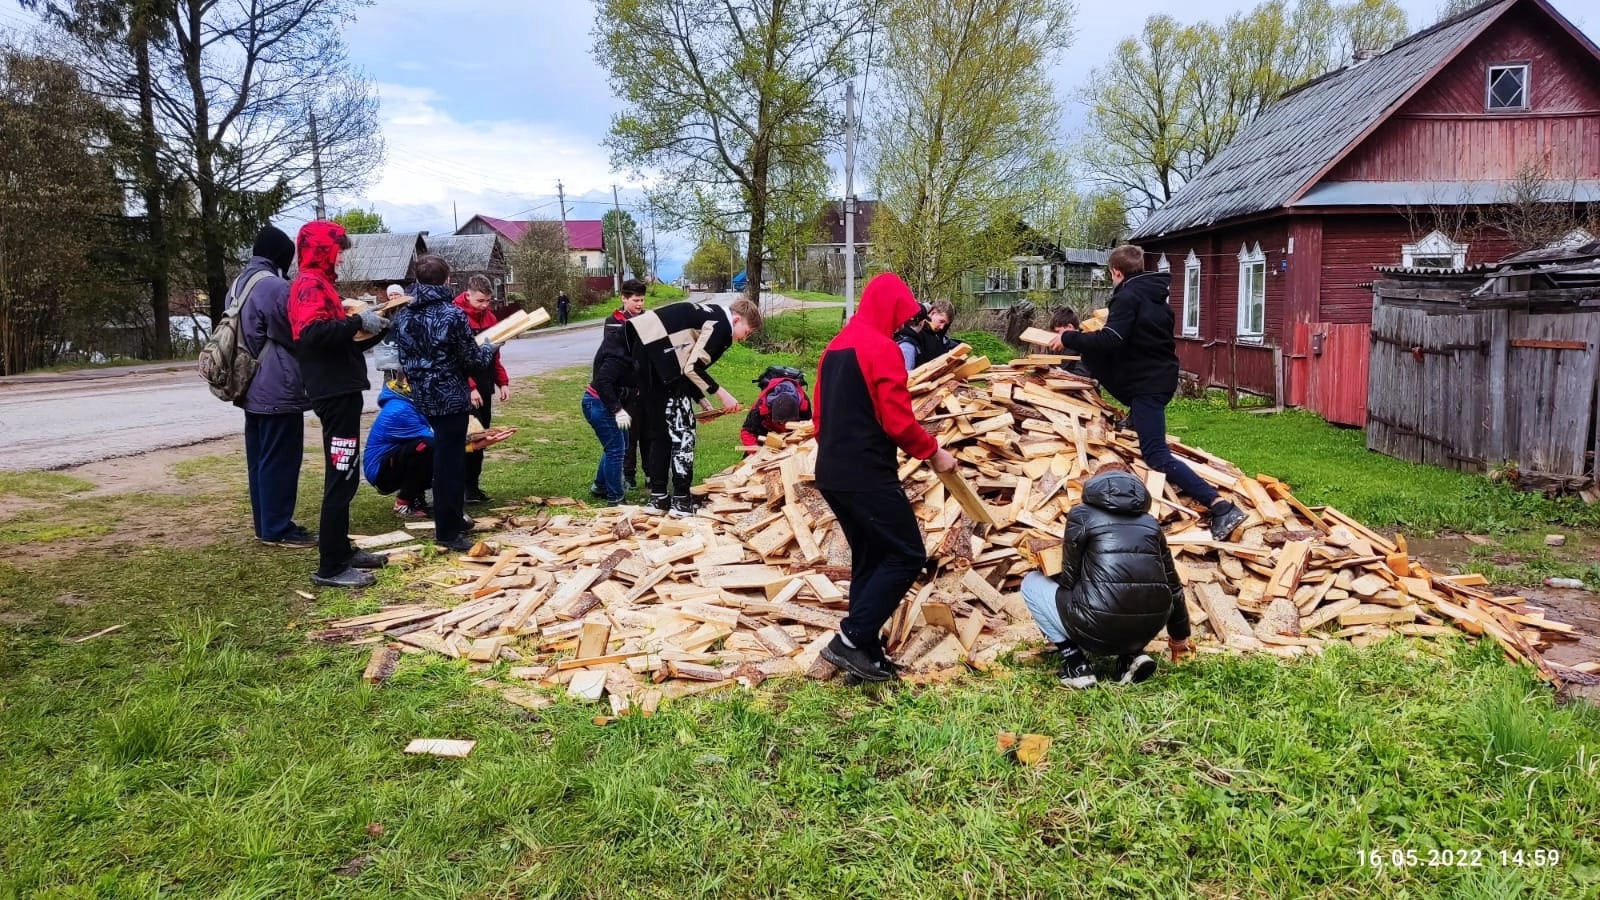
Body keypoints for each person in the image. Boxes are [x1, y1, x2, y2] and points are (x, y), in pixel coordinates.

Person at [813, 273, 959, 682]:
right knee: (906, 553)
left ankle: (867, 652)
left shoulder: (834, 348)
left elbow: (819, 421)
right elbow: (897, 421)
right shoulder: (883, 349)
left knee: (871, 555)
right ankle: (851, 638)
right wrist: (934, 451)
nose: (904, 323)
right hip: (867, 472)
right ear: (892, 307)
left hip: (831, 471)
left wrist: (836, 454)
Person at [1051, 244, 1247, 541]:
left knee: (1156, 454)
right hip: (1156, 378)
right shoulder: (1153, 296)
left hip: (1147, 386)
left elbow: (1113, 339)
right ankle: (1133, 418)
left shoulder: (1128, 296)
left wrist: (1069, 337)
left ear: (1115, 272)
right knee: (1092, 353)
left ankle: (1219, 506)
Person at [1019, 461, 1193, 688]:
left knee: (1030, 583)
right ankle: (1132, 655)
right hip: (1147, 628)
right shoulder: (1150, 523)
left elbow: (1070, 578)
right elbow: (1174, 585)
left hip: (1097, 627)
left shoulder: (1081, 514)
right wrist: (1179, 638)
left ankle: (1076, 663)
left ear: (1095, 484)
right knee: (1127, 592)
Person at [288, 220, 392, 589]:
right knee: (341, 474)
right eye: (340, 249)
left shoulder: (322, 285)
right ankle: (331, 566)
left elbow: (337, 344)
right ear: (322, 248)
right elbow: (312, 336)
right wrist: (355, 322)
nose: (343, 257)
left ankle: (342, 548)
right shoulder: (309, 285)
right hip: (332, 394)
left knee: (346, 472)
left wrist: (375, 330)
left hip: (341, 388)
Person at [392, 254, 504, 553]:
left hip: (423, 395)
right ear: (446, 279)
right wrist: (492, 344)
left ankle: (454, 518)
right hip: (451, 396)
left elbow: (403, 358)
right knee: (451, 463)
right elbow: (472, 360)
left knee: (446, 456)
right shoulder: (451, 315)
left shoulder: (404, 315)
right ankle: (448, 530)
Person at [627, 297, 762, 517]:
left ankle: (658, 497)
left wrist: (699, 398)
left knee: (660, 432)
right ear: (736, 319)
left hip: (647, 355)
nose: (744, 338)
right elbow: (693, 367)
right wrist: (722, 394)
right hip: (659, 360)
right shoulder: (721, 325)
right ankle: (681, 499)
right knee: (683, 432)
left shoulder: (709, 314)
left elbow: (683, 361)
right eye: (746, 332)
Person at [235, 224, 314, 549]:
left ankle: (265, 524)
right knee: (280, 458)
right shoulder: (275, 287)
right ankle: (279, 527)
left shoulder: (240, 282)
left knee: (260, 458)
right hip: (277, 385)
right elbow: (295, 332)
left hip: (250, 383)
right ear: (282, 256)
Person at [583, 279, 646, 504]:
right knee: (617, 448)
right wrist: (618, 409)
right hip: (597, 402)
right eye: (635, 300)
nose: (640, 303)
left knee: (619, 442)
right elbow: (603, 383)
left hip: (610, 399)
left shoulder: (631, 352)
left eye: (642, 300)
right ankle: (615, 498)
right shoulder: (616, 356)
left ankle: (600, 486)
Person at [453, 274, 510, 504]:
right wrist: (471, 388)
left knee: (482, 438)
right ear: (468, 294)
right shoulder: (456, 316)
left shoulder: (490, 318)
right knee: (469, 439)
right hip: (465, 388)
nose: (485, 305)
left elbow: (493, 355)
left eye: (488, 301)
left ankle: (473, 486)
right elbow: (456, 359)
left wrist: (502, 382)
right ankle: (461, 487)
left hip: (485, 387)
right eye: (480, 301)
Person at [363, 374, 435, 519]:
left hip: (393, 460)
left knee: (428, 448)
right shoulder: (400, 410)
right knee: (427, 447)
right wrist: (472, 442)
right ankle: (403, 503)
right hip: (380, 472)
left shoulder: (408, 402)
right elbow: (435, 438)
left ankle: (415, 497)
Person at [739, 366, 811, 451]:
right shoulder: (760, 406)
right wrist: (755, 453)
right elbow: (747, 432)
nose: (783, 425)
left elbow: (808, 432)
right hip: (765, 430)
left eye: (786, 422)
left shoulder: (804, 405)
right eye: (780, 422)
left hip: (792, 434)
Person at [894, 299, 962, 370]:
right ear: (932, 313)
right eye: (941, 321)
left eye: (945, 324)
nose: (942, 327)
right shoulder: (912, 337)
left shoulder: (938, 336)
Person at [1048, 307, 1095, 379]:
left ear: (1070, 327)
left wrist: (1059, 373)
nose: (1056, 336)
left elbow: (1083, 373)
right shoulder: (1058, 345)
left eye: (1058, 332)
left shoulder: (1086, 343)